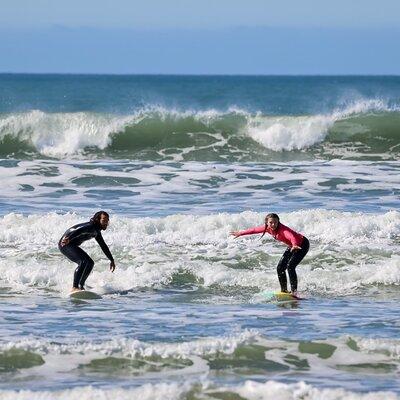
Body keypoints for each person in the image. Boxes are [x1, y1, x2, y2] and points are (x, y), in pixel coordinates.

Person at [231, 213, 309, 295]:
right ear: (267, 223)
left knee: (290, 266)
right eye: (271, 222)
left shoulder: (283, 230)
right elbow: (254, 230)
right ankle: (284, 290)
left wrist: (294, 244)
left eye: (275, 222)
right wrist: (240, 233)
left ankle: (294, 292)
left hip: (302, 244)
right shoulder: (267, 228)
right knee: (280, 268)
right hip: (292, 246)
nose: (273, 224)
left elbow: (291, 236)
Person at [58, 211, 116, 293]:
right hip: (65, 244)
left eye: (107, 220)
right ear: (97, 219)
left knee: (90, 263)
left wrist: (111, 259)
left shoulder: (96, 231)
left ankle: (81, 286)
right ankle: (74, 287)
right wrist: (68, 238)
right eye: (104, 220)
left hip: (72, 244)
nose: (106, 223)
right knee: (83, 261)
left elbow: (103, 246)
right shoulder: (90, 226)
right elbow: (78, 230)